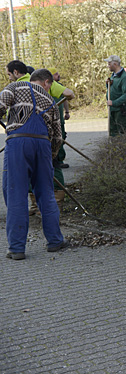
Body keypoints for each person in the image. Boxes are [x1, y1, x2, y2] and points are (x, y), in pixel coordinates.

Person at [1, 69, 69, 260]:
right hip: (43, 146)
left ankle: (16, 248)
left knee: (16, 194)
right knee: (46, 194)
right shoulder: (51, 103)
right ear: (46, 83)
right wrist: (51, 155)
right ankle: (55, 241)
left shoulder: (15, 86)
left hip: (18, 144)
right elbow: (57, 136)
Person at [6, 61, 75, 214]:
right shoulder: (38, 82)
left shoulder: (17, 86)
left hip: (23, 137)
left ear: (16, 73)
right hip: (45, 136)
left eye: (9, 74)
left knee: (26, 172)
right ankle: (50, 206)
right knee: (52, 166)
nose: (9, 78)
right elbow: (70, 94)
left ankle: (35, 206)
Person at [105, 55, 126, 136]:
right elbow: (114, 89)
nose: (108, 66)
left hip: (121, 111)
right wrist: (108, 84)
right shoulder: (113, 75)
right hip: (112, 110)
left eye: (109, 64)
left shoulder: (124, 77)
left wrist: (113, 103)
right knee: (113, 133)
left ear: (115, 64)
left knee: (122, 134)